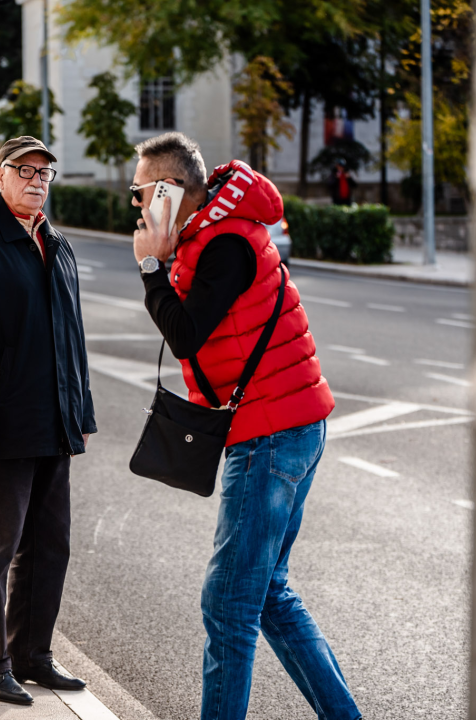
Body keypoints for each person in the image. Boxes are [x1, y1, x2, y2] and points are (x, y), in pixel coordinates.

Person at [129, 132, 360, 720]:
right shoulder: (213, 231)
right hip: (286, 424)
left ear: (168, 190)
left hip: (271, 434)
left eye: (140, 193)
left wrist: (152, 267)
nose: (135, 205)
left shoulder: (224, 242)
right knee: (269, 596)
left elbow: (185, 333)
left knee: (229, 604)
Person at [0, 136, 96, 706]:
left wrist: (79, 413)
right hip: (3, 427)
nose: (36, 180)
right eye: (24, 170)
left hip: (55, 422)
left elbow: (71, 339)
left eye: (45, 173)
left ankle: (32, 654)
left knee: (51, 546)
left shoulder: (59, 245)